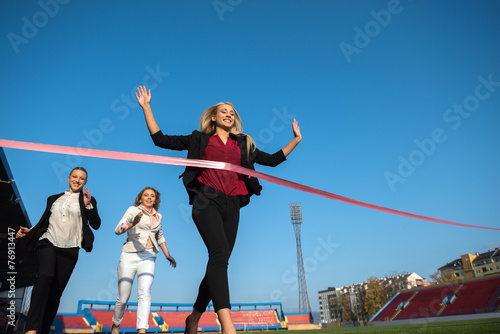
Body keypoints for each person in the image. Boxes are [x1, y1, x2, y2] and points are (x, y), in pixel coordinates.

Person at [135, 86, 302, 334]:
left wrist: (296, 139)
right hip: (206, 200)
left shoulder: (243, 143)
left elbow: (273, 160)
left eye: (232, 113)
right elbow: (161, 140)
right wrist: (147, 107)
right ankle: (227, 324)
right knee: (219, 253)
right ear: (213, 117)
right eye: (224, 112)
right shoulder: (199, 139)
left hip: (233, 204)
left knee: (220, 260)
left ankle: (194, 317)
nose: (229, 115)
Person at [16, 167, 101, 334]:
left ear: (85, 182)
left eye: (82, 178)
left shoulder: (87, 200)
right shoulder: (53, 198)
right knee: (45, 275)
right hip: (48, 241)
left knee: (55, 293)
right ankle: (31, 328)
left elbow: (96, 225)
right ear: (68, 178)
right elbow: (46, 221)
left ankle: (43, 330)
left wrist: (89, 205)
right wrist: (31, 231)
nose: (77, 180)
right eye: (75, 177)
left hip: (71, 248)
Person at [111, 187, 176, 334]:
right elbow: (117, 230)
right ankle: (116, 324)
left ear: (155, 200)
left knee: (145, 292)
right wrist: (130, 225)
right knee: (123, 297)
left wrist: (167, 254)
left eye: (152, 196)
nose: (149, 198)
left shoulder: (159, 216)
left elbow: (159, 236)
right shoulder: (133, 210)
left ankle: (142, 330)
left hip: (148, 256)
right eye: (146, 195)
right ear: (140, 198)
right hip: (129, 255)